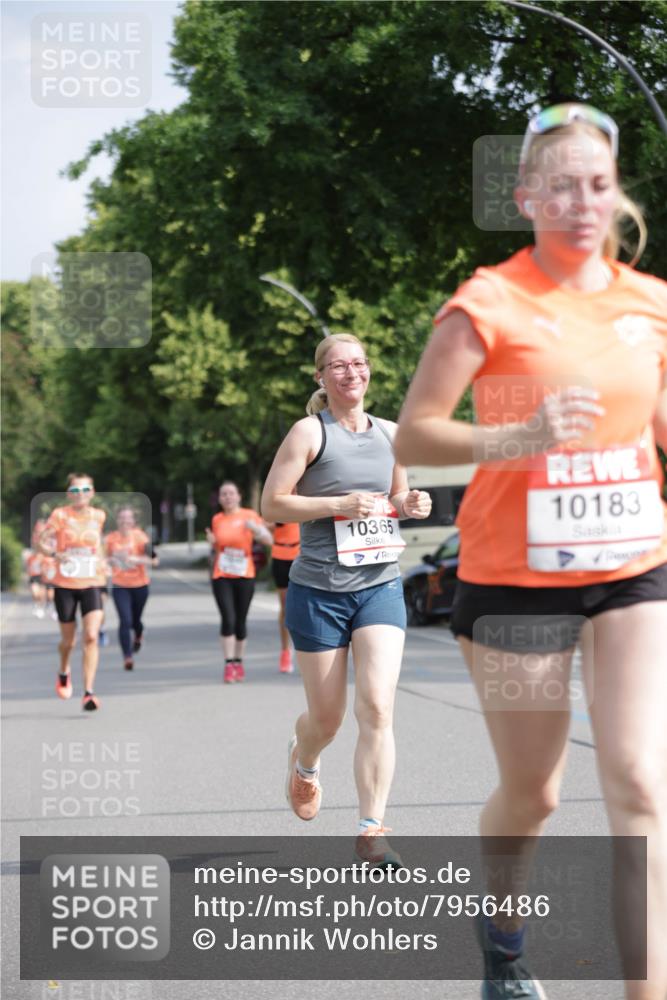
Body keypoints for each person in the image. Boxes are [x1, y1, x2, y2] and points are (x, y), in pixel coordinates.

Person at [395, 104, 667, 1000]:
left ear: (615, 194)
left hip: (631, 567)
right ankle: (504, 940)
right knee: (536, 791)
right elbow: (416, 435)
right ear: (524, 198)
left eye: (597, 185)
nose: (581, 203)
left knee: (640, 785)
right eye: (560, 187)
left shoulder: (650, 304)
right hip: (514, 580)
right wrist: (522, 435)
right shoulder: (488, 301)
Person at [261, 333, 431, 863]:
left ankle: (371, 829)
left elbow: (395, 497)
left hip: (380, 584)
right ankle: (305, 759)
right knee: (327, 720)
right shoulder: (309, 432)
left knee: (377, 705)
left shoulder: (393, 434)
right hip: (318, 591)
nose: (351, 372)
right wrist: (338, 504)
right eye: (338, 366)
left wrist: (410, 502)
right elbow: (272, 504)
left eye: (358, 363)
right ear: (321, 376)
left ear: (369, 371)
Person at [39, 473, 108, 711]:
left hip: (92, 581)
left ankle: (88, 693)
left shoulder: (99, 516)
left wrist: (104, 567)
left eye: (85, 490)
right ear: (69, 494)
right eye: (76, 491)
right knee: (69, 641)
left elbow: (99, 546)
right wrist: (56, 554)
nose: (81, 494)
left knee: (91, 635)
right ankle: (64, 669)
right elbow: (41, 543)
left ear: (92, 493)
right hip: (66, 583)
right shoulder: (60, 515)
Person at [205, 480, 273, 683]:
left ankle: (238, 661)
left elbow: (269, 540)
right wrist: (213, 543)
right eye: (224, 494)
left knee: (241, 621)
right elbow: (218, 546)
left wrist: (255, 529)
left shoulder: (249, 515)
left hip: (245, 575)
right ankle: (228, 664)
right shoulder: (217, 519)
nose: (227, 497)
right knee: (228, 619)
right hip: (222, 575)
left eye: (231, 493)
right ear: (219, 499)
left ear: (239, 496)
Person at [105, 506, 159, 671]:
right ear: (117, 520)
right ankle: (127, 657)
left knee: (136, 621)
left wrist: (137, 559)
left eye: (128, 518)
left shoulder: (141, 537)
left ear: (134, 521)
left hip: (140, 585)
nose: (125, 521)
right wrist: (110, 561)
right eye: (122, 518)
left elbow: (155, 560)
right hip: (120, 585)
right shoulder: (111, 539)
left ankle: (139, 634)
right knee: (125, 621)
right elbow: (103, 560)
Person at [267, 520, 300, 673]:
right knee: (286, 606)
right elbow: (265, 523)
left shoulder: (305, 504)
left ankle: (305, 651)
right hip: (280, 555)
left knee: (304, 606)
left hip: (300, 555)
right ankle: (285, 651)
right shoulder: (278, 502)